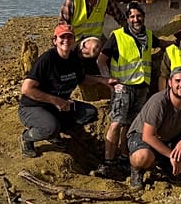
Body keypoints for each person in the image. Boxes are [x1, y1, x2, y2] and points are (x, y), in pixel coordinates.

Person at [18, 23, 116, 157]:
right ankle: (27, 137)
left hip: (58, 106)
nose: (66, 41)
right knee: (50, 127)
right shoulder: (47, 60)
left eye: (69, 37)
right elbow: (26, 88)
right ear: (55, 40)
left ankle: (54, 131)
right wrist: (55, 100)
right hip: (33, 107)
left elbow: (81, 78)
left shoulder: (74, 58)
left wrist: (102, 80)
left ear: (74, 40)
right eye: (62, 37)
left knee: (89, 113)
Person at [95, 1, 163, 178]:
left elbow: (162, 43)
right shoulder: (117, 36)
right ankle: (108, 161)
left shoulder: (148, 35)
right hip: (123, 87)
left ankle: (125, 157)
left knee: (131, 125)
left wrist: (180, 41)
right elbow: (101, 60)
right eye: (132, 16)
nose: (135, 19)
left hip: (141, 88)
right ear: (127, 19)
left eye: (138, 16)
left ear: (144, 17)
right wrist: (108, 79)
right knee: (117, 122)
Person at [127, 67, 181, 189]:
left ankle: (168, 166)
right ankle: (137, 171)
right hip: (143, 137)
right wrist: (172, 155)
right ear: (170, 83)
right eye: (178, 81)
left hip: (170, 138)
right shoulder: (159, 102)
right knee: (142, 157)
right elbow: (148, 135)